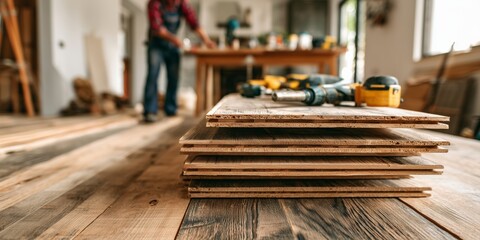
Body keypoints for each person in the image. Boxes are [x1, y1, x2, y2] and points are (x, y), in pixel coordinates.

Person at [144, 0, 215, 122]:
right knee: (153, 75)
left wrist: (206, 40)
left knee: (174, 77)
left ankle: (170, 109)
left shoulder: (182, 4)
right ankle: (150, 111)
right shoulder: (155, 3)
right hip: (156, 45)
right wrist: (175, 40)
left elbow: (194, 24)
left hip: (172, 46)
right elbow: (157, 28)